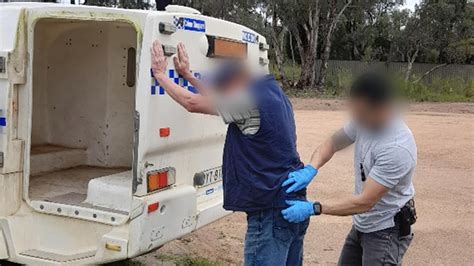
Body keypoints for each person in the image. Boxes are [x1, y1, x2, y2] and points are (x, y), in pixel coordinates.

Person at [150, 41, 309, 266]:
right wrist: (188, 76)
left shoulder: (249, 101)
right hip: (292, 205)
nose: (224, 95)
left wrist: (160, 74)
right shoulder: (274, 94)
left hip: (270, 212)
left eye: (225, 89)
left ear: (238, 82)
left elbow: (192, 103)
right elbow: (218, 101)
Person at [280, 73, 417, 265]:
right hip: (363, 223)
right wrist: (311, 167)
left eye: (361, 113)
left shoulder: (396, 147)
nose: (356, 118)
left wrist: (315, 208)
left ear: (382, 108)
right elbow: (332, 143)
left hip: (385, 229)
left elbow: (365, 202)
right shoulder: (365, 120)